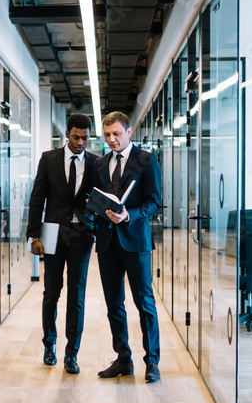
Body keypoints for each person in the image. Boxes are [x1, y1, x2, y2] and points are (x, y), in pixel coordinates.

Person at [93, 111, 162, 383]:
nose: (111, 140)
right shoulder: (100, 163)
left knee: (144, 303)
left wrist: (128, 215)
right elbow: (97, 198)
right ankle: (123, 359)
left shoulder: (145, 160)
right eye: (107, 134)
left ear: (129, 132)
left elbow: (154, 201)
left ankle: (152, 362)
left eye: (116, 134)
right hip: (107, 242)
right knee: (114, 304)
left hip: (135, 242)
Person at [26, 113, 98, 374]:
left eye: (86, 138)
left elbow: (100, 200)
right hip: (52, 233)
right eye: (76, 137)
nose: (81, 143)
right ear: (67, 134)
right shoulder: (49, 159)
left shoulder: (95, 163)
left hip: (82, 235)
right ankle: (49, 344)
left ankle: (72, 353)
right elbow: (37, 198)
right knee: (51, 292)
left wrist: (95, 228)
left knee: (76, 295)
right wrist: (34, 236)